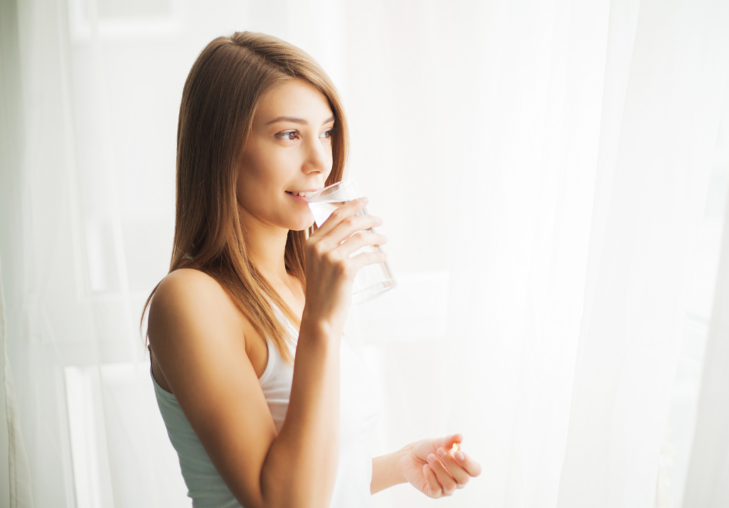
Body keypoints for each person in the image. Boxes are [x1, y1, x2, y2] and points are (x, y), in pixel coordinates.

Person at [141, 31, 481, 508]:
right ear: (223, 148)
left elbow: (316, 471)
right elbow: (282, 501)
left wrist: (399, 463)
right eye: (288, 135)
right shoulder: (190, 300)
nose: (320, 161)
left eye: (325, 132)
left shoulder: (300, 284)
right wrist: (321, 320)